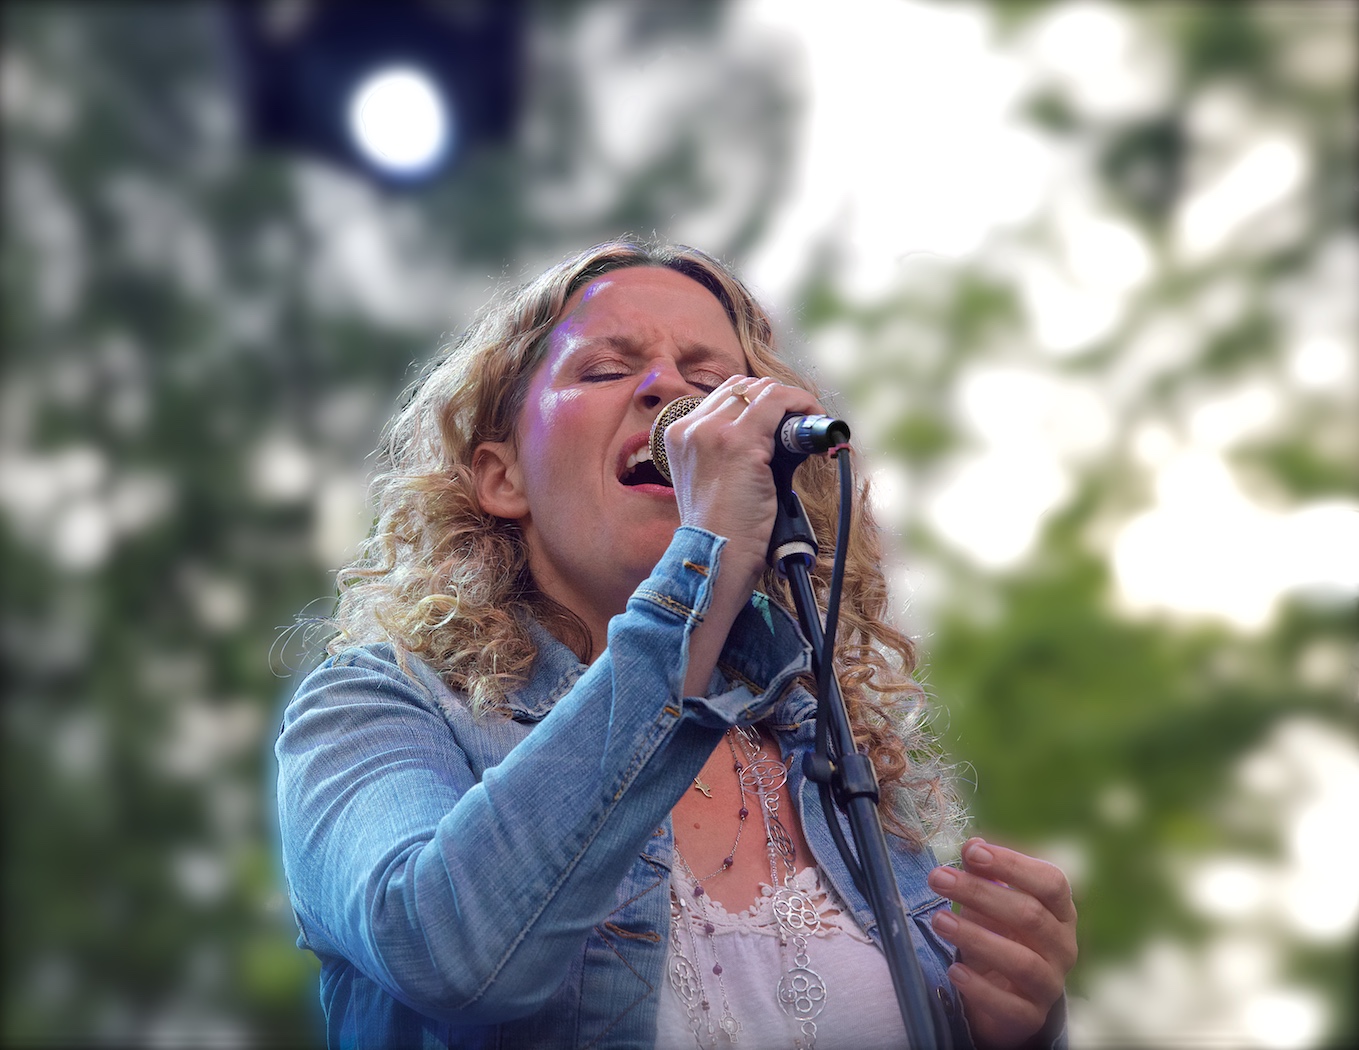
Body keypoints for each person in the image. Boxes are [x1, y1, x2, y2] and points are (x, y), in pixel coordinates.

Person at [275, 239, 1077, 1049]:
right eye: (602, 369)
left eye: (711, 383)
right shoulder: (375, 706)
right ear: (500, 476)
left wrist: (1009, 1027)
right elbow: (452, 954)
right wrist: (706, 557)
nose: (670, 395)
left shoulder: (833, 750)